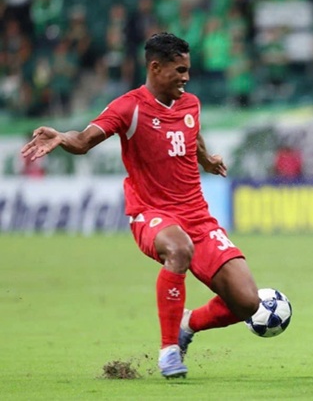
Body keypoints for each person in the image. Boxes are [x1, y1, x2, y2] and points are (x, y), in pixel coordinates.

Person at [21, 33, 260, 379]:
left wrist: (207, 160)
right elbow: (84, 141)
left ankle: (187, 323)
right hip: (151, 213)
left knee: (247, 302)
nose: (186, 77)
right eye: (180, 70)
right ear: (155, 67)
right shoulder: (128, 107)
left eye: (188, 69)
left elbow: (193, 136)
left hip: (198, 217)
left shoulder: (190, 104)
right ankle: (169, 351)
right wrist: (61, 137)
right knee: (179, 248)